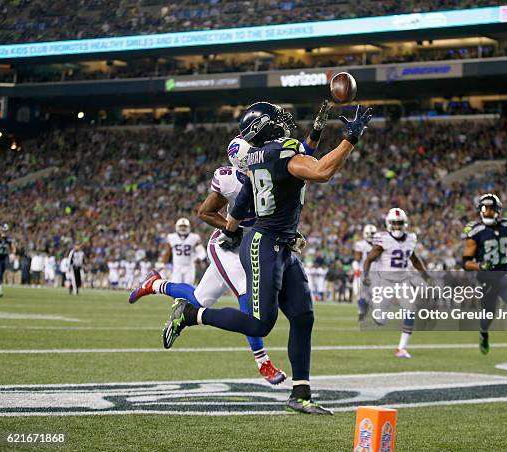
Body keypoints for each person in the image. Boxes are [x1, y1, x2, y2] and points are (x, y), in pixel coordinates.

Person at [158, 101, 372, 414]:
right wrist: (350, 139)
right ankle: (191, 314)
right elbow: (321, 171)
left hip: (282, 244)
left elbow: (245, 195)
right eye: (276, 117)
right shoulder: (279, 151)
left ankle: (300, 394)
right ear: (263, 126)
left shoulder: (259, 156)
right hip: (265, 244)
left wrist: (231, 229)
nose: (283, 120)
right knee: (260, 324)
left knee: (303, 315)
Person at [130, 102, 331, 385]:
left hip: (255, 242)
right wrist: (230, 228)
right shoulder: (231, 179)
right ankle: (264, 364)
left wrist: (317, 131)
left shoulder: (267, 164)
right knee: (249, 304)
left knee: (200, 299)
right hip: (230, 245)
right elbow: (205, 212)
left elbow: (303, 156)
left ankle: (156, 284)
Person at [462, 193, 507, 367]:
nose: (487, 212)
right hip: (487, 278)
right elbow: (465, 262)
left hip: (504, 274)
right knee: (489, 313)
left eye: (491, 208)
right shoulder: (476, 231)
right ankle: (484, 333)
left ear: (498, 210)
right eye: (484, 208)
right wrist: (480, 266)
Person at [363, 208, 431, 358]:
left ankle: (401, 348)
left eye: (400, 223)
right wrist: (366, 275)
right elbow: (369, 259)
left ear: (405, 224)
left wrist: (425, 275)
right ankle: (375, 305)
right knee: (380, 320)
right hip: (386, 281)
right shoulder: (383, 239)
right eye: (394, 223)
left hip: (403, 281)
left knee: (411, 310)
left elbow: (414, 259)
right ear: (388, 224)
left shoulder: (410, 239)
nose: (397, 227)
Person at [160, 218, 202, 285]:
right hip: (177, 266)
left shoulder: (194, 237)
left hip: (189, 266)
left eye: (184, 226)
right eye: (181, 226)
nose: (183, 228)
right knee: (176, 288)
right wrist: (163, 262)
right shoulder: (171, 237)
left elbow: (201, 251)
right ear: (177, 227)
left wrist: (199, 258)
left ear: (189, 227)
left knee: (188, 287)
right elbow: (168, 252)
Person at [353, 224, 377, 321]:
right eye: (369, 233)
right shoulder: (361, 244)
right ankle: (362, 312)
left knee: (367, 296)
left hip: (374, 273)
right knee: (359, 294)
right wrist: (356, 269)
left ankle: (362, 312)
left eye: (373, 233)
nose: (371, 235)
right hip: (364, 272)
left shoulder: (379, 245)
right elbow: (356, 260)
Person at [0, 224, 16, 297]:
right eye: (3, 230)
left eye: (5, 231)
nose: (4, 232)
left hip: (4, 258)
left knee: (2, 273)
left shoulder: (8, 239)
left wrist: (13, 253)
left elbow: (13, 248)